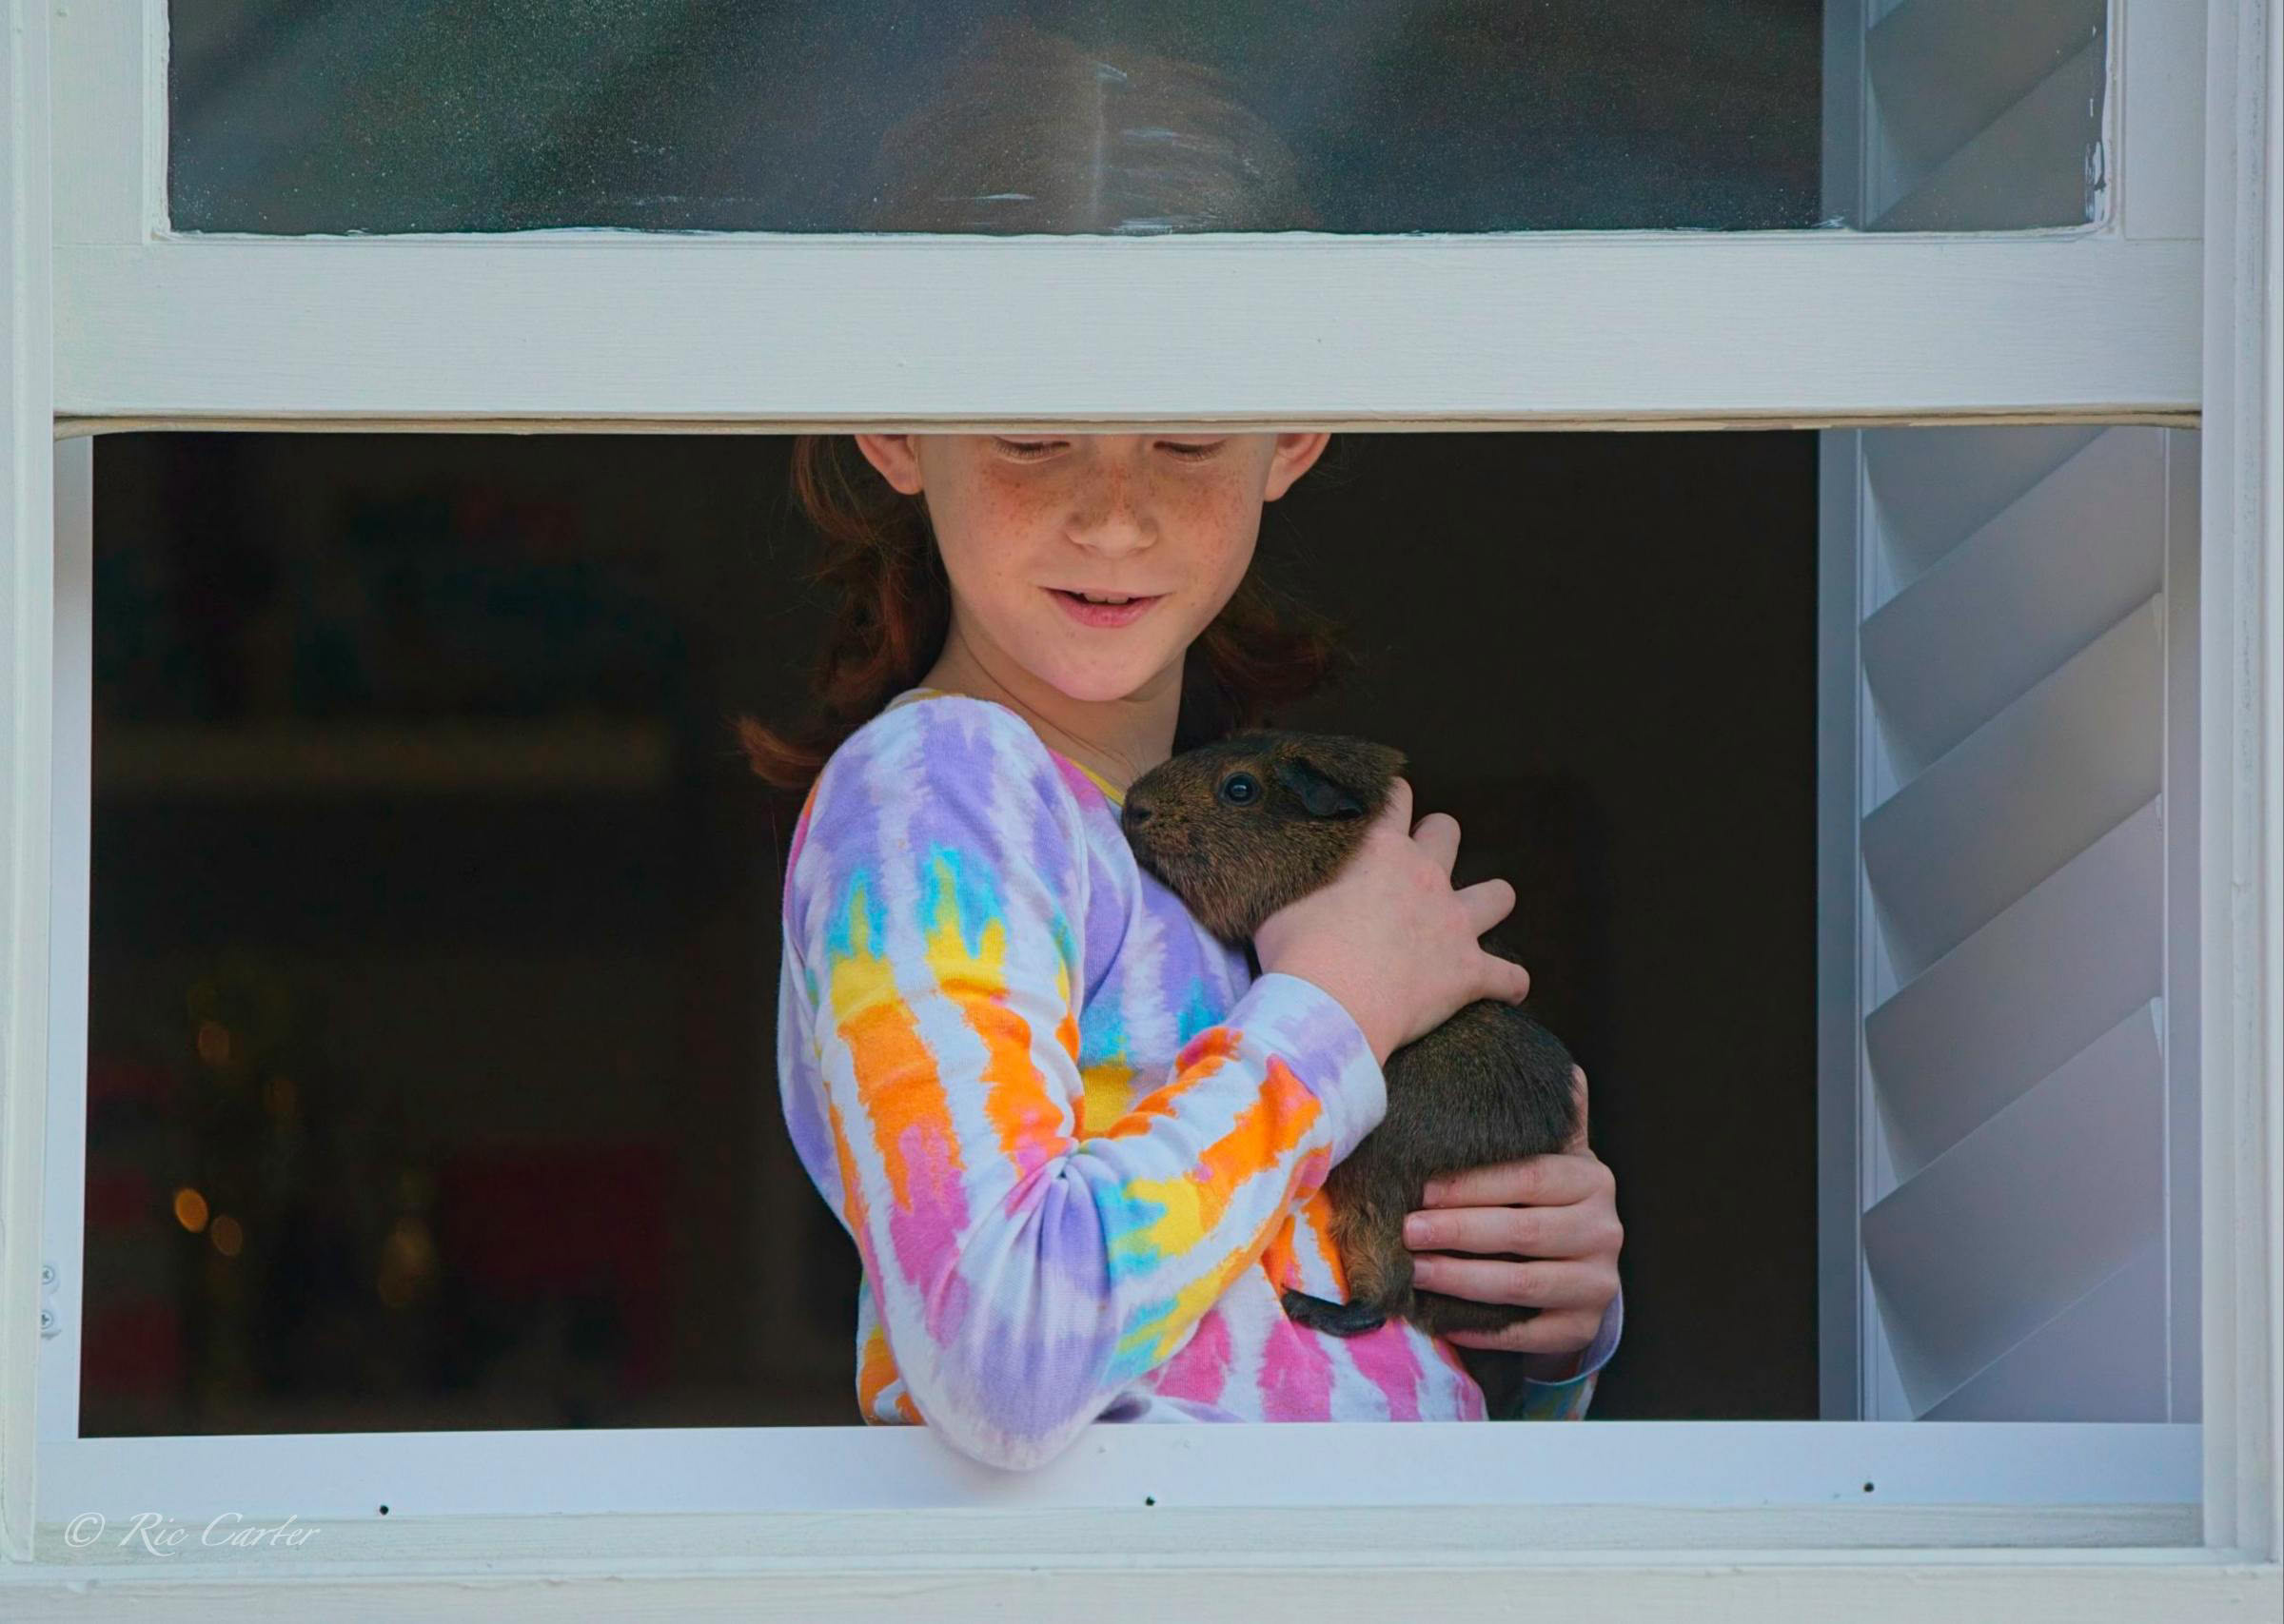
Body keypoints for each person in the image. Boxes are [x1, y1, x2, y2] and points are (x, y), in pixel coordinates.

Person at [736, 430, 1624, 1471]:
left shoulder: (1215, 852)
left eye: (1187, 442)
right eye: (1033, 438)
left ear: (1291, 439)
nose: (1115, 520)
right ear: (897, 432)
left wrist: (1537, 1318)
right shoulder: (942, 786)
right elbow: (999, 1363)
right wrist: (1337, 1009)